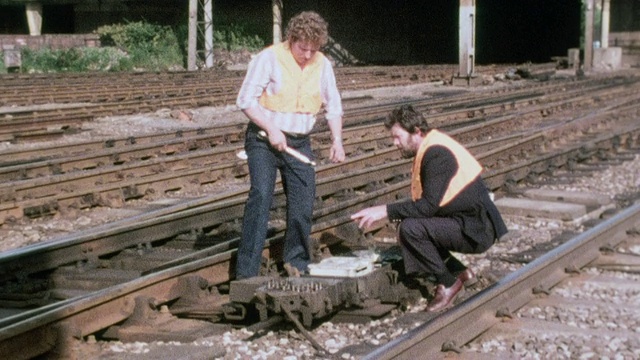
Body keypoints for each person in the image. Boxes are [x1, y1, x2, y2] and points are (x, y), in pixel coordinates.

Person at [350, 104, 507, 312]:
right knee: (408, 225)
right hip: (468, 221)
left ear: (416, 132)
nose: (395, 143)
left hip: (477, 229)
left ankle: (448, 284)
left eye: (397, 137)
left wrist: (385, 211)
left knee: (410, 229)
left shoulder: (437, 155)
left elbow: (426, 207)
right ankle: (460, 272)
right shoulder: (431, 147)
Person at [235, 11, 345, 279]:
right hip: (263, 139)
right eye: (302, 48)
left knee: (302, 201)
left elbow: (334, 106)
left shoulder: (323, 65)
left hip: (298, 142)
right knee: (261, 196)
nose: (307, 55)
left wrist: (337, 140)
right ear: (291, 40)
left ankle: (296, 261)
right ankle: (247, 272)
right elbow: (245, 100)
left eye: (313, 49)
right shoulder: (269, 58)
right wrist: (271, 128)